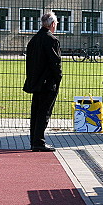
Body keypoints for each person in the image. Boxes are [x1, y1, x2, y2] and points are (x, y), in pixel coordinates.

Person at [23, 11, 62, 152]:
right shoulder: (52, 40)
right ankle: (39, 142)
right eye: (56, 23)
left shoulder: (34, 40)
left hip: (36, 82)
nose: (56, 25)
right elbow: (56, 63)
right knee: (44, 113)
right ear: (52, 24)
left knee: (35, 112)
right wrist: (58, 79)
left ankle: (34, 140)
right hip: (48, 82)